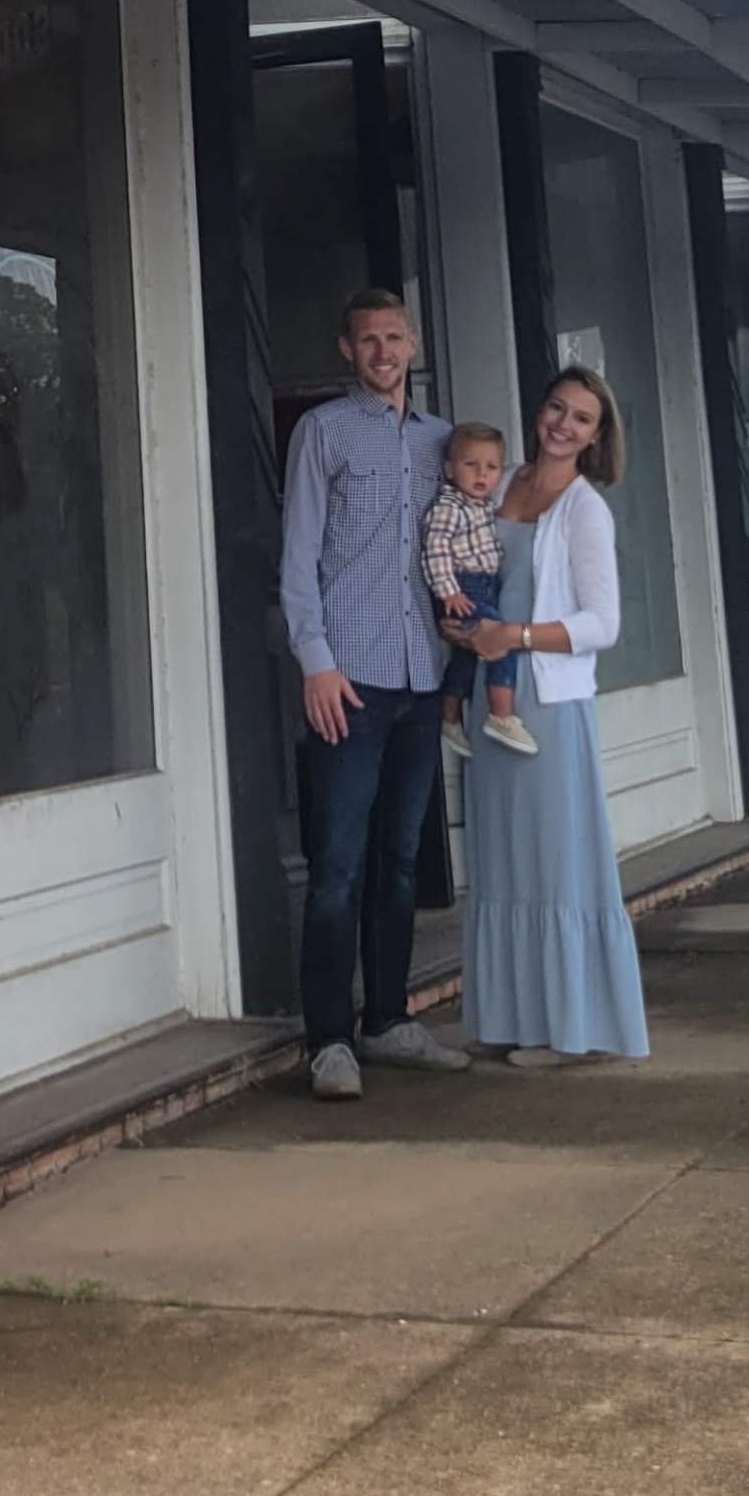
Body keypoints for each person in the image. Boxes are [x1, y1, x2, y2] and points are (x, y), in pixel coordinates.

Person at [277, 289, 474, 1102]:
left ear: (414, 343)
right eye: (368, 340)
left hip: (422, 676)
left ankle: (388, 1019)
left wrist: (467, 661)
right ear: (346, 348)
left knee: (400, 861)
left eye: (394, 338)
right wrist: (315, 661)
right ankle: (328, 1040)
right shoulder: (322, 432)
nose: (383, 352)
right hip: (348, 681)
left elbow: (468, 543)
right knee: (339, 867)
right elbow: (298, 557)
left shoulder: (443, 442)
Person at [452, 365, 652, 1070]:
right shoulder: (499, 484)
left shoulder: (585, 509)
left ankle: (573, 1030)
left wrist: (517, 637)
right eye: (557, 408)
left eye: (582, 419)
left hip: (549, 700)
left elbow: (604, 623)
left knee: (558, 860)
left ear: (598, 437)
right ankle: (510, 1020)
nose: (563, 425)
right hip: (490, 697)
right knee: (502, 861)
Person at [425, 422, 532, 759]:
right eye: (471, 465)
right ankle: (501, 715)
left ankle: (449, 717)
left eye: (491, 467)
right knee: (501, 640)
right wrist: (449, 592)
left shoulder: (484, 505)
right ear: (449, 469)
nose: (481, 474)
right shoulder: (449, 506)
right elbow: (436, 548)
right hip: (463, 586)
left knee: (467, 656)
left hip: (485, 585)